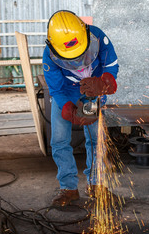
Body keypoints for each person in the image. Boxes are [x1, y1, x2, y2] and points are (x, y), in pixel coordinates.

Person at [42, 10, 119, 206]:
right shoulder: (49, 56)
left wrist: (104, 83)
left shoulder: (99, 37)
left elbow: (111, 65)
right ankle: (68, 189)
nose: (77, 64)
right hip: (65, 94)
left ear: (85, 34)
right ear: (53, 47)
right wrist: (67, 108)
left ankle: (96, 185)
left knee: (95, 138)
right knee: (59, 140)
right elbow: (56, 89)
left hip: (92, 90)